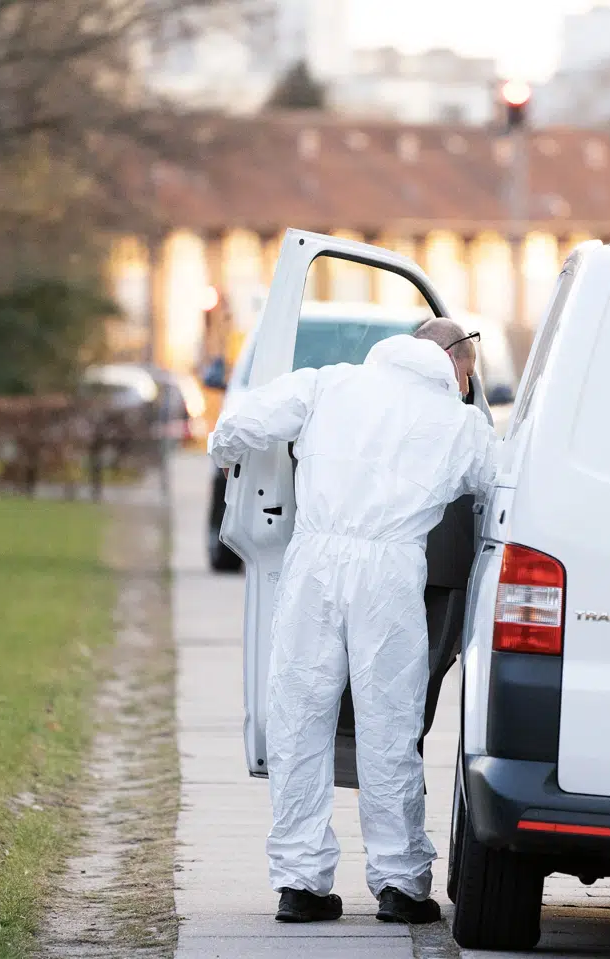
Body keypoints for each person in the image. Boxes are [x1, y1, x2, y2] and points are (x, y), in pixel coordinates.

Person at [208, 318, 499, 925]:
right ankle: (399, 884)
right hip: (390, 574)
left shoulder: (327, 384)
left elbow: (237, 425)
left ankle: (300, 884)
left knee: (300, 719)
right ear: (453, 362)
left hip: (313, 561)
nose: (467, 384)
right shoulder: (461, 424)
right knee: (388, 724)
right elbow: (508, 485)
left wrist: (228, 457)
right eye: (468, 373)